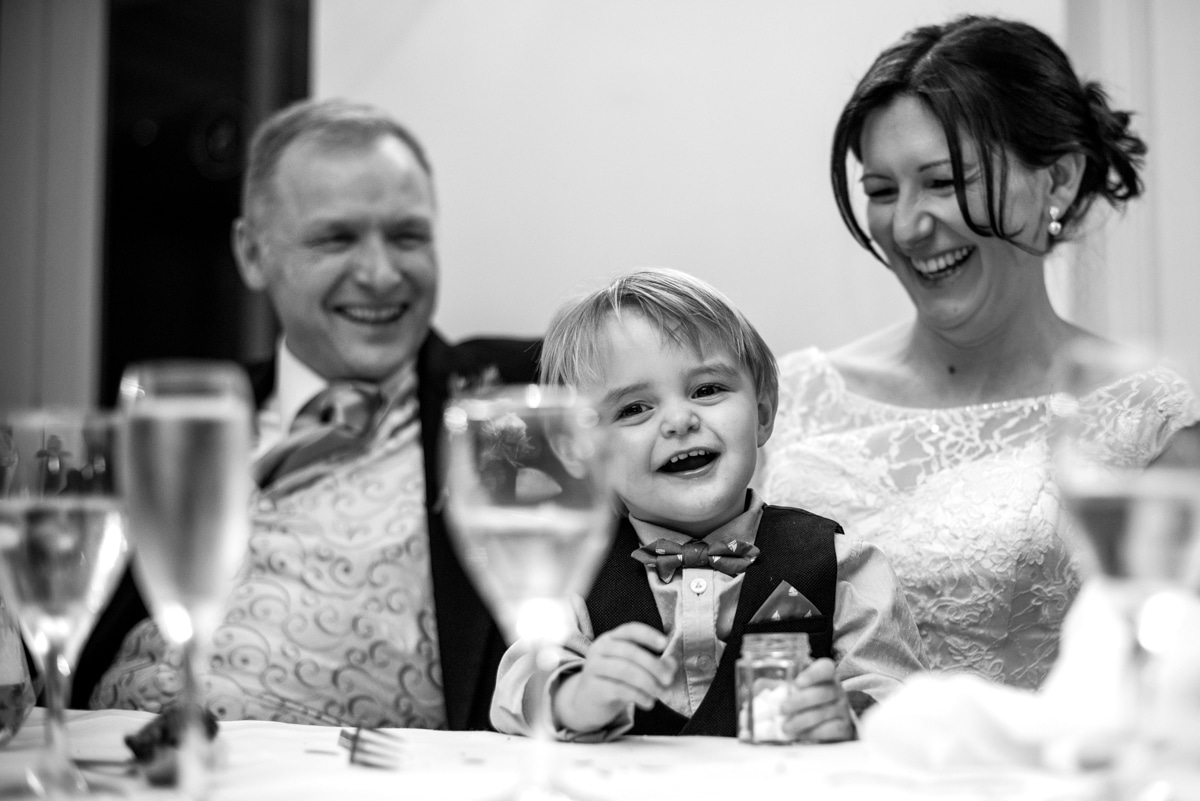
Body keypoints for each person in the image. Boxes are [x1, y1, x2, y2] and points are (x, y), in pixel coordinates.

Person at [758, 15, 1199, 690]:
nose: (906, 226)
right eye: (880, 191)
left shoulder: (1149, 421)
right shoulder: (788, 394)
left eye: (944, 182)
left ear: (1056, 181)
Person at [79, 98, 541, 729]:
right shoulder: (180, 417)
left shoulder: (512, 396)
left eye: (407, 236)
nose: (381, 274)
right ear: (251, 253)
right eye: (337, 238)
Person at [491, 269, 926, 742]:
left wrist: (851, 714)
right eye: (634, 408)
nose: (679, 420)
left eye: (706, 390)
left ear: (762, 412)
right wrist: (576, 697)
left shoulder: (843, 565)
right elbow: (516, 689)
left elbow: (907, 700)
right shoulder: (573, 575)